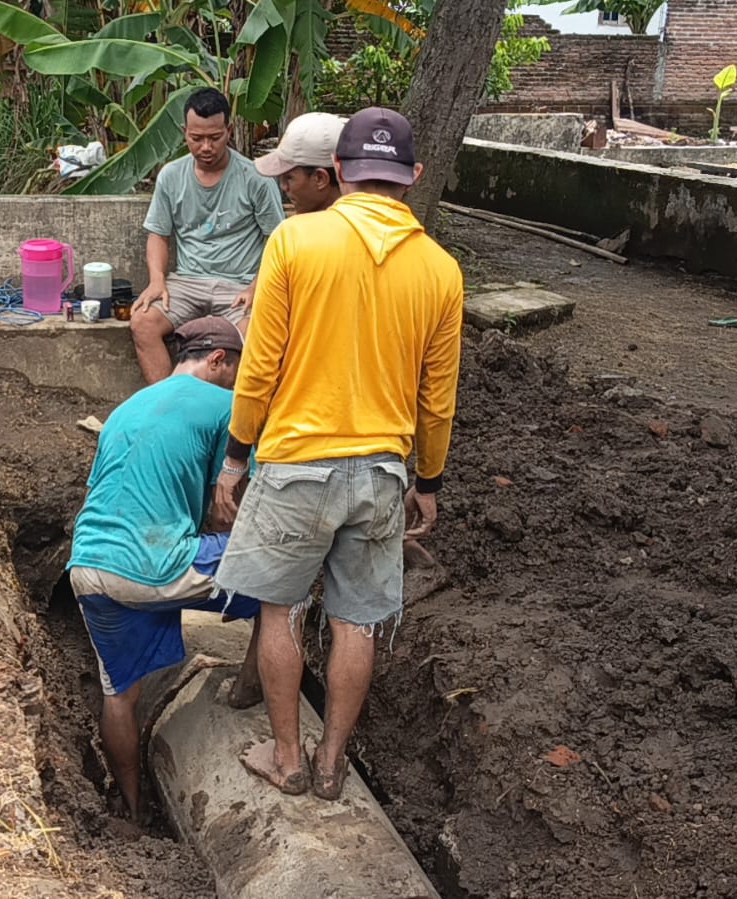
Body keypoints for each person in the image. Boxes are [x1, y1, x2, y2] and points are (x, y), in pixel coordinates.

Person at [213, 108, 464, 801]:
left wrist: (236, 456)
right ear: (413, 176)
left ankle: (286, 758)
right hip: (381, 473)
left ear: (341, 171)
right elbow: (437, 398)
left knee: (281, 610)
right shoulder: (441, 269)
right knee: (358, 619)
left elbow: (259, 367)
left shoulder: (296, 240)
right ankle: (330, 764)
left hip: (296, 464)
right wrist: (430, 480)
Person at [67, 317, 265, 820]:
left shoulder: (128, 407)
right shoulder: (227, 407)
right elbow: (232, 506)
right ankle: (250, 690)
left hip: (88, 565)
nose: (240, 382)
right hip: (155, 566)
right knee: (288, 577)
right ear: (218, 360)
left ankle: (132, 810)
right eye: (239, 370)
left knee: (120, 695)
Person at [131, 88, 286, 384]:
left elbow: (277, 240)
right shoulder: (171, 176)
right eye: (196, 138)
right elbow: (158, 234)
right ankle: (169, 402)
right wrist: (157, 280)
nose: (205, 147)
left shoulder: (255, 178)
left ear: (229, 131)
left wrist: (257, 285)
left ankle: (230, 409)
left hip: (239, 286)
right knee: (142, 321)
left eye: (215, 137)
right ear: (184, 133)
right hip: (187, 282)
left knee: (254, 333)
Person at [253, 112, 347, 214]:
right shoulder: (358, 217)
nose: (283, 186)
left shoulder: (297, 224)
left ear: (320, 179)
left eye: (289, 177)